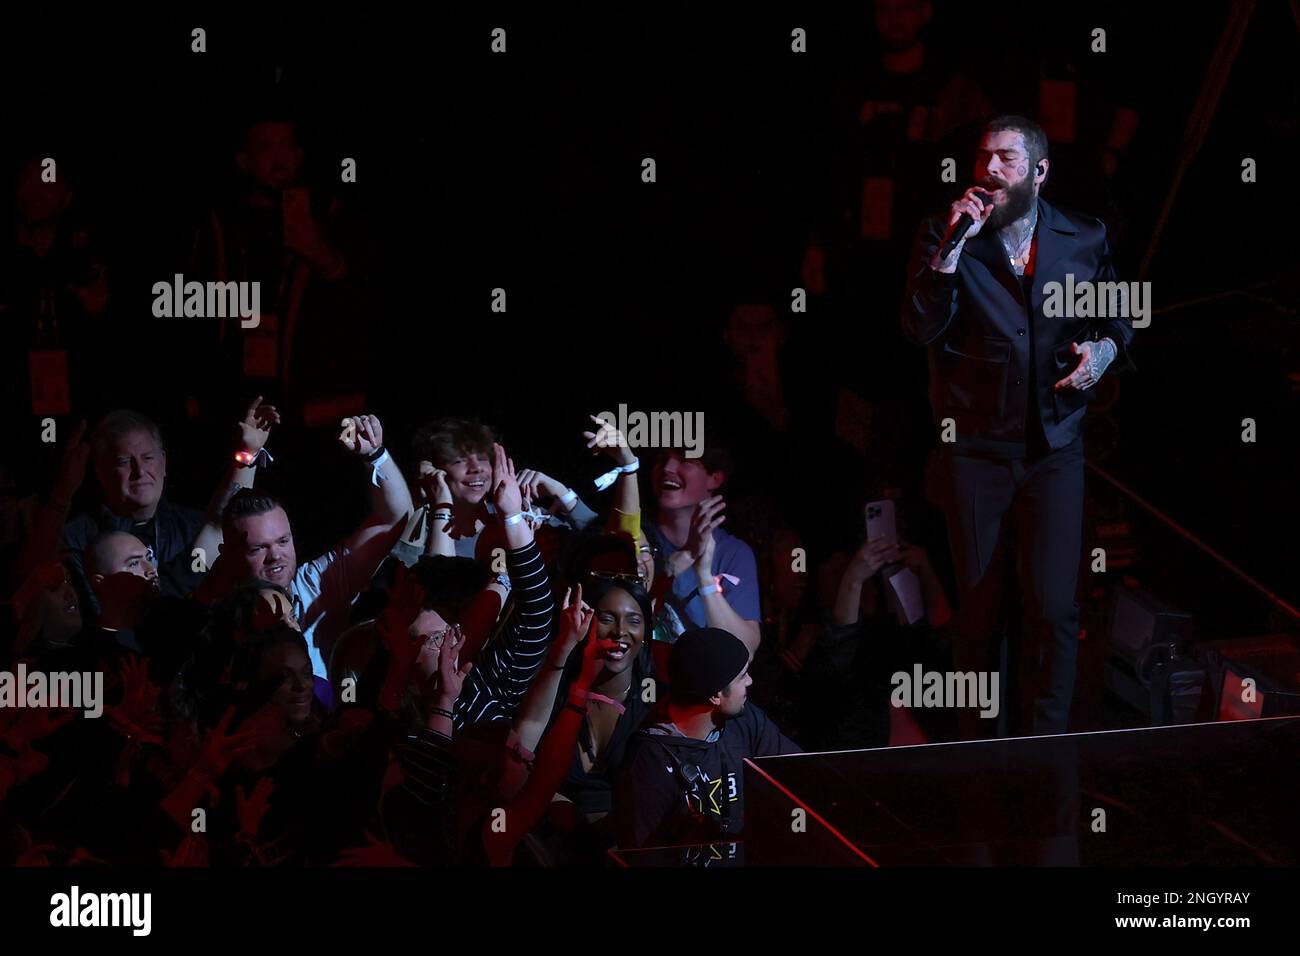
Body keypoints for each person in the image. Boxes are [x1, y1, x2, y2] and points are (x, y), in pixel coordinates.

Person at [900, 114, 1135, 738]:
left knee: (1054, 607)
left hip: (1054, 447)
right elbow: (920, 327)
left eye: (1005, 158)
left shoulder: (1082, 236)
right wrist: (949, 249)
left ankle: (1049, 741)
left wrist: (1103, 351)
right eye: (983, 159)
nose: (990, 171)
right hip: (976, 450)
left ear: (1039, 170)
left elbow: (1119, 314)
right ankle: (979, 744)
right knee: (979, 612)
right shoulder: (944, 234)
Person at [217, 412, 413, 678]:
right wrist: (244, 456)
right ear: (230, 556)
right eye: (258, 548)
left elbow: (395, 520)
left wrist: (375, 455)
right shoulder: (218, 622)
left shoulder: (315, 584)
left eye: (283, 541)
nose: (276, 556)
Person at [614, 627, 800, 849]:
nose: (750, 681)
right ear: (715, 695)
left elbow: (799, 770)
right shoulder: (650, 762)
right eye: (742, 676)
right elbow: (643, 854)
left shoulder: (744, 720)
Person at [647, 448, 762, 653]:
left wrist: (704, 577)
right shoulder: (638, 535)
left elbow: (745, 649)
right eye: (661, 459)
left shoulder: (733, 553)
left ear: (714, 479)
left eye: (684, 460)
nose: (667, 468)